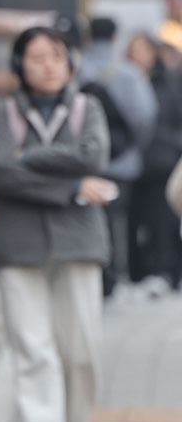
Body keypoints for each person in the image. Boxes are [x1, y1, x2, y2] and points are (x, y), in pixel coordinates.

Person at [0, 27, 113, 422]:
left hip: (79, 242)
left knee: (82, 347)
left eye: (56, 56)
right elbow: (3, 173)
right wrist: (74, 185)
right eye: (37, 56)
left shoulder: (87, 108)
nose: (47, 65)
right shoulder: (5, 113)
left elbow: (95, 155)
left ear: (70, 63)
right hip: (19, 244)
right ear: (19, 64)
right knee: (32, 346)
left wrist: (31, 160)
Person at [78, 16, 158, 292]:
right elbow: (146, 117)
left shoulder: (77, 69)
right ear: (115, 38)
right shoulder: (128, 73)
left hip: (82, 162)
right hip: (121, 163)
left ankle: (91, 274)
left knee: (83, 218)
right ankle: (110, 275)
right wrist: (131, 148)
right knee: (116, 222)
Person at [125, 32, 182, 292]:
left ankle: (165, 270)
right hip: (129, 162)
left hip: (161, 161)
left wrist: (170, 143)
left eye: (142, 49)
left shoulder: (169, 82)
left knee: (162, 218)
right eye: (133, 50)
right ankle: (138, 272)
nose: (137, 56)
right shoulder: (123, 79)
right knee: (133, 219)